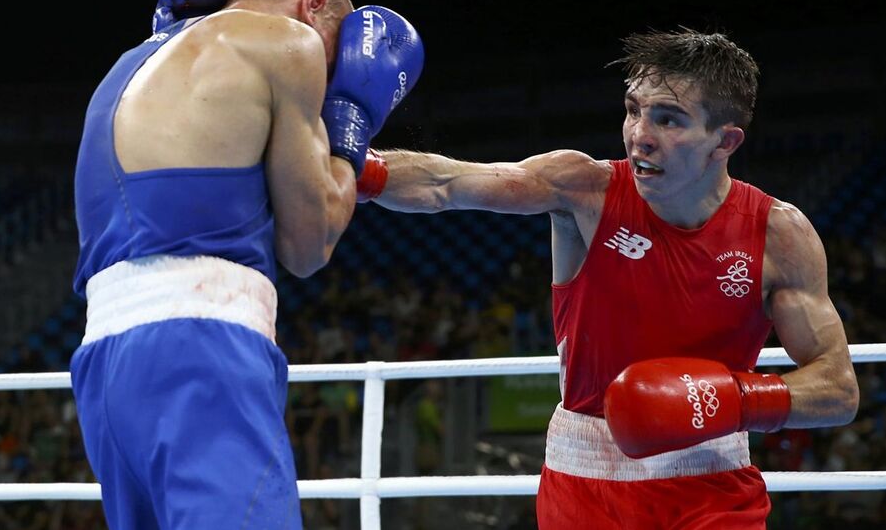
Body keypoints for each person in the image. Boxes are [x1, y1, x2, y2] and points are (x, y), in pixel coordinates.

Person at [360, 29, 859, 528]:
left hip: (712, 486)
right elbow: (448, 183)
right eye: (633, 109)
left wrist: (735, 400)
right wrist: (353, 165)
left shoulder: (778, 235)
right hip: (584, 485)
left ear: (724, 141)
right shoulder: (585, 190)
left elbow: (837, 388)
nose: (640, 133)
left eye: (668, 119)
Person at [70, 0, 424, 529]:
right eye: (338, 55)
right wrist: (350, 117)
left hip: (103, 370)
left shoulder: (128, 65)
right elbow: (310, 244)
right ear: (313, 8)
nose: (330, 77)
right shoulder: (288, 41)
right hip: (200, 352)